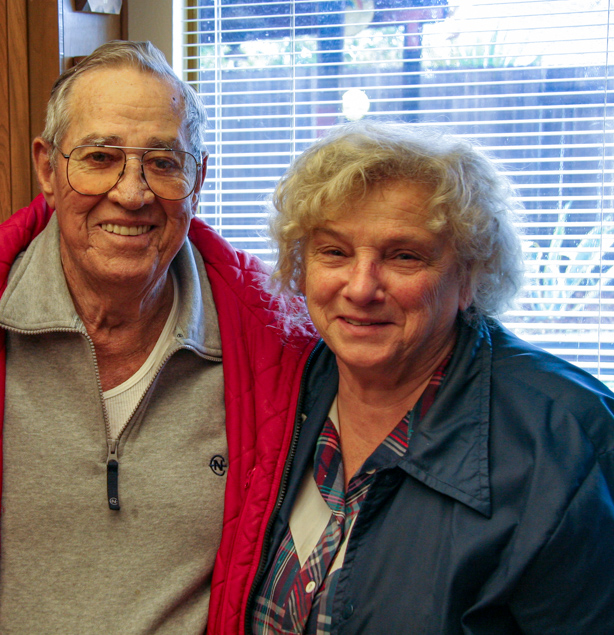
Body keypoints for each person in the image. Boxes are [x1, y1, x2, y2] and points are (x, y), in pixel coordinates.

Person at [0, 41, 318, 633]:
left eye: (164, 162)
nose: (132, 193)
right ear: (48, 168)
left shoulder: (279, 338)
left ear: (198, 176)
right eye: (100, 157)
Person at [218, 120, 614, 633]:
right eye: (334, 251)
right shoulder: (283, 391)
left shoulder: (565, 440)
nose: (361, 288)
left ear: (470, 274)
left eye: (404, 256)